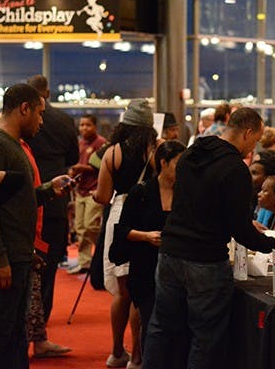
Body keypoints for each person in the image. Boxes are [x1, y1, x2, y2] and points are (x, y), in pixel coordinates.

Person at [143, 107, 275, 369]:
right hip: (205, 261)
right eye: (256, 139)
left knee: (161, 329)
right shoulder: (235, 169)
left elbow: (198, 203)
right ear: (247, 133)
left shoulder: (191, 153)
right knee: (206, 338)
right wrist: (269, 244)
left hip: (170, 252)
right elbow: (239, 228)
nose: (255, 146)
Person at [0, 83, 72, 369]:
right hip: (3, 261)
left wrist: (47, 189)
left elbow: (15, 200)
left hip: (16, 255)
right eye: (40, 113)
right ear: (24, 109)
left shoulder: (11, 145)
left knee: (14, 336)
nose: (42, 121)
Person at [93, 99, 158, 368]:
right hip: (146, 217)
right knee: (140, 288)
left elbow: (104, 196)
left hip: (119, 215)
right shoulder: (156, 151)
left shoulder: (112, 153)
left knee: (122, 292)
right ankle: (139, 356)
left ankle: (117, 352)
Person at [114, 140, 186, 357]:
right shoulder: (141, 191)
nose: (183, 169)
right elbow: (122, 230)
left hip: (177, 270)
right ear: (163, 163)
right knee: (152, 324)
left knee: (176, 327)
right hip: (146, 269)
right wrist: (146, 236)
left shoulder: (185, 192)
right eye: (178, 163)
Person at [26, 74, 79, 322]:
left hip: (26, 199)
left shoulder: (23, 124)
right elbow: (72, 158)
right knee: (50, 265)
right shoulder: (65, 120)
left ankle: (26, 319)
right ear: (47, 93)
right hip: (56, 201)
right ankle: (42, 319)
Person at [67, 114, 107, 274]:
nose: (84, 128)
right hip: (80, 190)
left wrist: (80, 168)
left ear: (95, 126)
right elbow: (77, 166)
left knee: (91, 226)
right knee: (80, 228)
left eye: (88, 125)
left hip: (94, 190)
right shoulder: (80, 143)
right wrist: (73, 171)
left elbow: (101, 167)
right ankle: (85, 263)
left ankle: (102, 253)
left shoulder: (101, 143)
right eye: (82, 125)